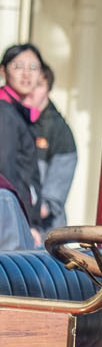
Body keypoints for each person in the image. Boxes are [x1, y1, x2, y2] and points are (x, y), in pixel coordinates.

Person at [1, 44, 73, 232]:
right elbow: (7, 173)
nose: (26, 75)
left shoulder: (53, 127)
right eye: (18, 67)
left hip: (30, 222)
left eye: (33, 68)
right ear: (4, 71)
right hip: (15, 222)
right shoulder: (6, 113)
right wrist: (27, 221)